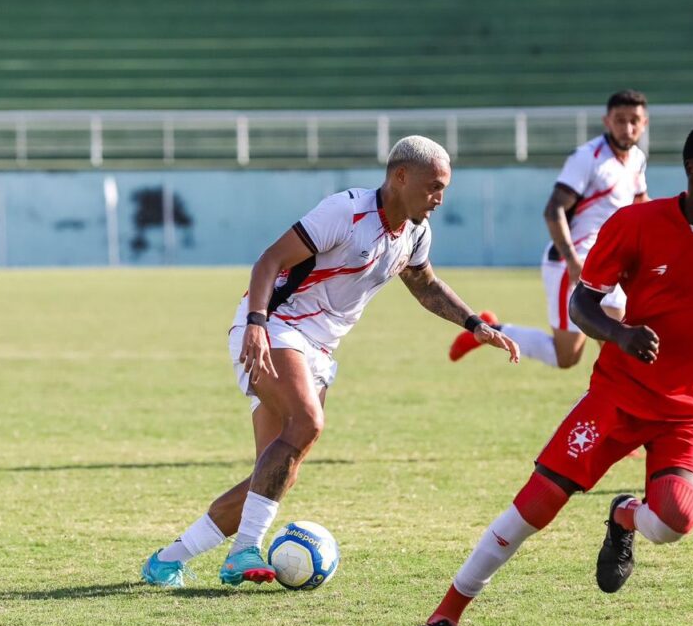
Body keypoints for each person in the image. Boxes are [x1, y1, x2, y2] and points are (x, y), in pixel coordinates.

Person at [415, 121, 693, 626]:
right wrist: (618, 334)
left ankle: (625, 515)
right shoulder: (635, 224)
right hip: (619, 396)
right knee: (539, 501)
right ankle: (447, 611)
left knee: (674, 521)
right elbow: (582, 302)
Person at [141, 136, 520, 588]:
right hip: (275, 327)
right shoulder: (346, 212)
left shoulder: (416, 231)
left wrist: (473, 323)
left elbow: (425, 285)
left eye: (444, 189)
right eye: (433, 187)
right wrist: (257, 324)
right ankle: (242, 552)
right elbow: (269, 261)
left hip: (318, 349)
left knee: (278, 472)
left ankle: (168, 559)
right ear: (400, 177)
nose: (439, 198)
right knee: (307, 422)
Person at [449, 90, 649, 369]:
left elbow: (641, 205)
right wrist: (573, 261)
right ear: (606, 121)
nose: (627, 128)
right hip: (571, 264)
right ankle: (492, 330)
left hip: (608, 263)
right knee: (566, 357)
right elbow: (553, 210)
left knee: (617, 346)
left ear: (645, 123)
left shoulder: (637, 159)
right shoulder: (587, 158)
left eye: (634, 120)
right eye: (620, 120)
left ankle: (613, 406)